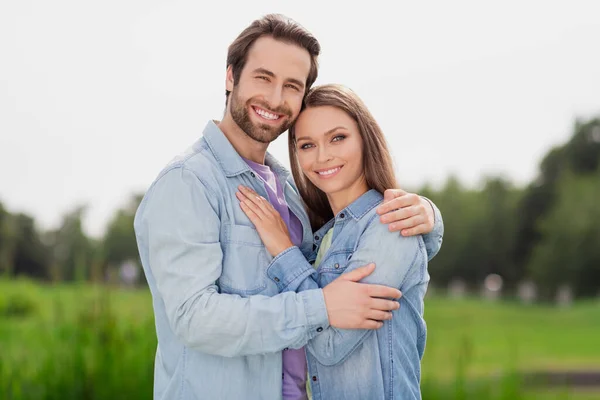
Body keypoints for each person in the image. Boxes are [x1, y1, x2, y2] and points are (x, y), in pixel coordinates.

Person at [134, 14, 443, 400]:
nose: (276, 99)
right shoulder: (189, 182)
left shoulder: (289, 189)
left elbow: (357, 239)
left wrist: (429, 218)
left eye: (292, 86)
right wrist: (320, 308)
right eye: (263, 78)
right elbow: (194, 319)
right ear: (231, 77)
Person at [237, 83, 431, 399]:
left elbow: (330, 344)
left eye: (337, 138)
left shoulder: (390, 225)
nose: (323, 157)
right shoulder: (323, 237)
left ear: (365, 139)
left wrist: (283, 251)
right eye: (307, 145)